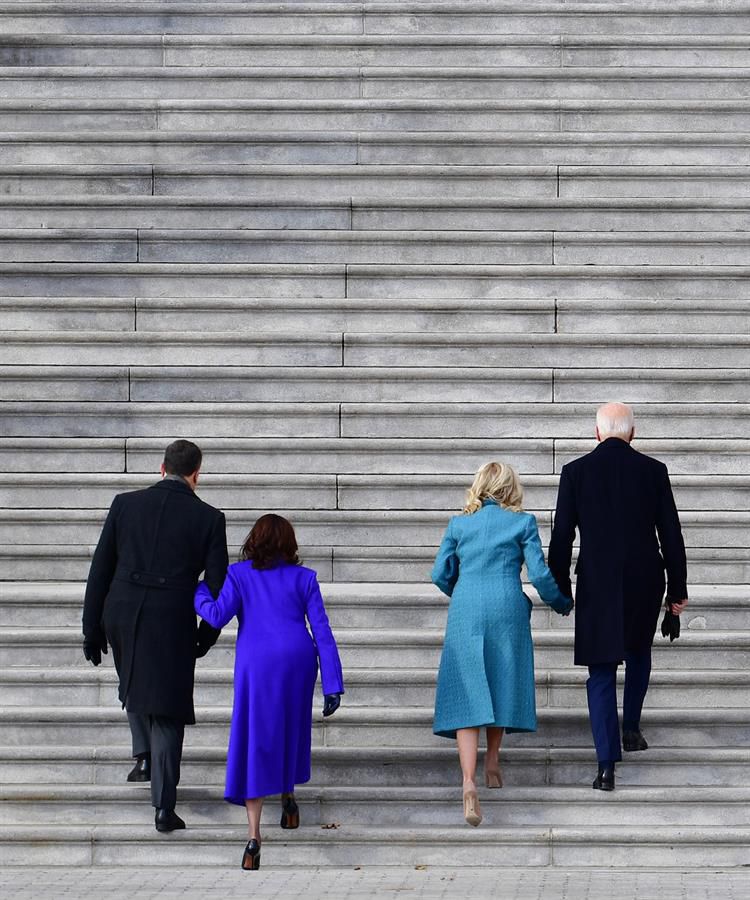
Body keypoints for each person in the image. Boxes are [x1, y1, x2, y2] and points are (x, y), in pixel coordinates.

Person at [82, 439, 228, 832]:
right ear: (196, 474)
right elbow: (218, 587)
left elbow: (100, 569)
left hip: (121, 610)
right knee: (167, 709)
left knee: (134, 677)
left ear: (162, 468)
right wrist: (206, 635)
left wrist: (90, 627)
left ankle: (143, 756)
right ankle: (164, 806)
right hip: (171, 617)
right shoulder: (210, 519)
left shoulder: (124, 504)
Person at [548, 402, 688, 792]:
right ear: (633, 433)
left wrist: (561, 587)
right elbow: (671, 534)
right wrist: (677, 590)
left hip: (597, 580)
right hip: (645, 578)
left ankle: (606, 766)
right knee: (639, 650)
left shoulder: (575, 472)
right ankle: (631, 728)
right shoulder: (654, 471)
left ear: (596, 433)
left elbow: (562, 536)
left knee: (601, 669)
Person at [194, 513, 344, 871]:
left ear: (254, 540)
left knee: (255, 739)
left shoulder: (239, 574)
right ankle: (288, 800)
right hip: (297, 659)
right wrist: (333, 682)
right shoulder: (305, 578)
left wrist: (197, 590)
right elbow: (322, 630)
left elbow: (216, 616)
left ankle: (254, 837)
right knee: (291, 728)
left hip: (257, 663)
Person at [431, 462, 573, 827]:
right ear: (511, 488)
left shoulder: (459, 524)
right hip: (506, 605)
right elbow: (538, 573)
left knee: (467, 690)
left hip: (467, 607)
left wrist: (461, 590)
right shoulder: (522, 523)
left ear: (478, 486)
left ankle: (468, 782)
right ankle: (492, 760)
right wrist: (561, 602)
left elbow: (439, 573)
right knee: (500, 680)